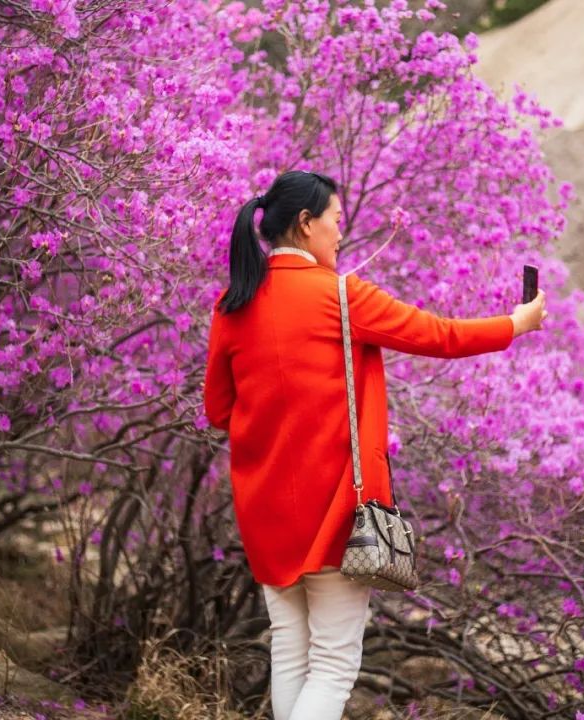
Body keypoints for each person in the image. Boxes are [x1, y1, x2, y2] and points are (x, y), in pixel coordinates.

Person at [202, 170, 548, 720]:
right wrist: (516, 323)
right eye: (336, 221)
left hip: (264, 509)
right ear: (306, 223)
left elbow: (219, 410)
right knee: (335, 663)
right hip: (333, 508)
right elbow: (440, 335)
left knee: (291, 648)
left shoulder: (232, 303)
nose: (341, 233)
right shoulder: (339, 297)